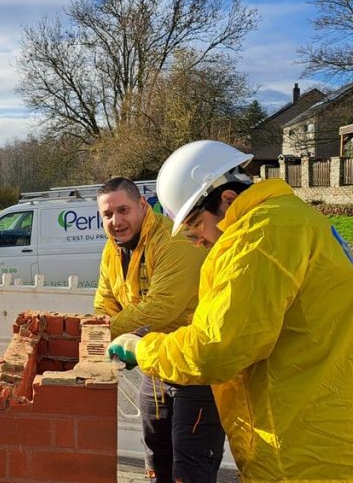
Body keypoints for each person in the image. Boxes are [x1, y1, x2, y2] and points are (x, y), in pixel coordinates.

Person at [110, 140, 353, 481]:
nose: (196, 241)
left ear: (227, 200)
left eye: (194, 225)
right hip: (347, 448)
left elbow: (216, 350)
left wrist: (144, 348)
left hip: (313, 461)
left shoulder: (256, 237)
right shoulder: (297, 220)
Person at [96, 177, 224, 483]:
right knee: (156, 459)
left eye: (123, 210)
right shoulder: (112, 250)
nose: (116, 221)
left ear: (142, 205)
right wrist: (101, 328)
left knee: (190, 467)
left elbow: (162, 306)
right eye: (108, 214)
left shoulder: (174, 240)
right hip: (155, 365)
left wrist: (103, 333)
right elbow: (105, 302)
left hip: (194, 367)